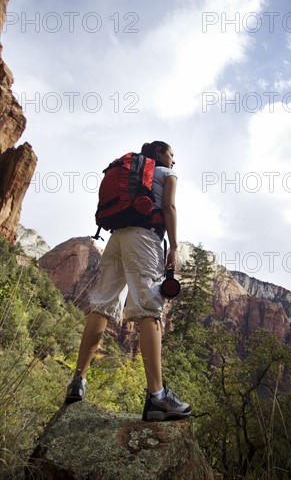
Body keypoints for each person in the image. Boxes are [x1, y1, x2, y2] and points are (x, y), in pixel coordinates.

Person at [65, 141, 191, 421]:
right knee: (150, 310)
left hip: (117, 237)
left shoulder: (134, 174)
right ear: (159, 154)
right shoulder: (166, 175)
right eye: (171, 155)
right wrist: (174, 246)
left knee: (102, 306)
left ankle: (78, 380)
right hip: (145, 238)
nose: (174, 161)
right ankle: (157, 396)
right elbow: (169, 206)